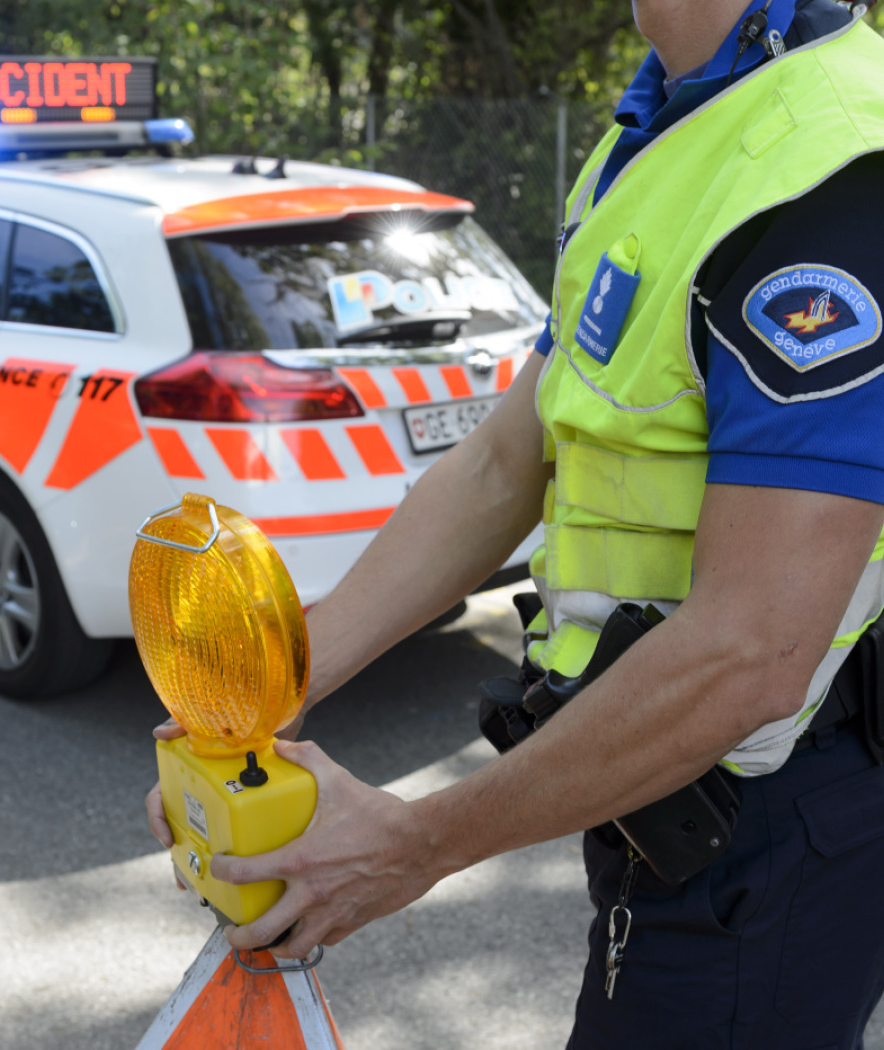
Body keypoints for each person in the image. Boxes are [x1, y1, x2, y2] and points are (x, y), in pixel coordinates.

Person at [146, 1, 884, 1044]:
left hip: (763, 828)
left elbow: (750, 650)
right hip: (649, 789)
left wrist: (414, 842)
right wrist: (277, 683)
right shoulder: (661, 121)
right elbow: (505, 460)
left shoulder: (829, 168)